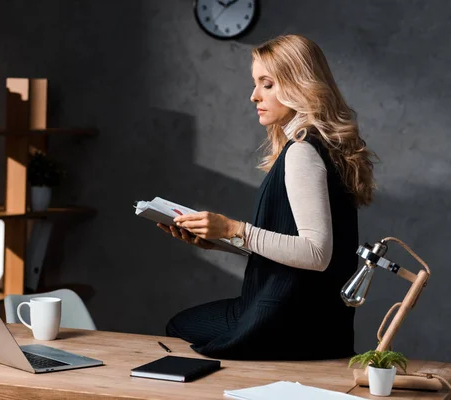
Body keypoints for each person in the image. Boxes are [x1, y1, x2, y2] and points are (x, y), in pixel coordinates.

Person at [159, 34, 377, 361]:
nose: (253, 96)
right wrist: (220, 240)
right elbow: (297, 250)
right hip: (319, 322)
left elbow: (317, 254)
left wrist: (235, 229)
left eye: (267, 84)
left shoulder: (302, 151)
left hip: (286, 321)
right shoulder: (323, 146)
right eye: (255, 83)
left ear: (299, 85)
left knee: (179, 327)